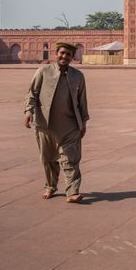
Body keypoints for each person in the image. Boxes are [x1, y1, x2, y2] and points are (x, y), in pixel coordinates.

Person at [23, 42, 89, 203]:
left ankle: (72, 191)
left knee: (70, 159)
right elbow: (32, 93)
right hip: (45, 124)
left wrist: (83, 123)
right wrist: (28, 111)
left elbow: (82, 101)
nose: (65, 56)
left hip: (70, 125)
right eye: (62, 53)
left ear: (73, 57)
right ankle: (50, 186)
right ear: (56, 53)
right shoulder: (43, 71)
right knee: (48, 159)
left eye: (68, 54)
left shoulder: (77, 76)